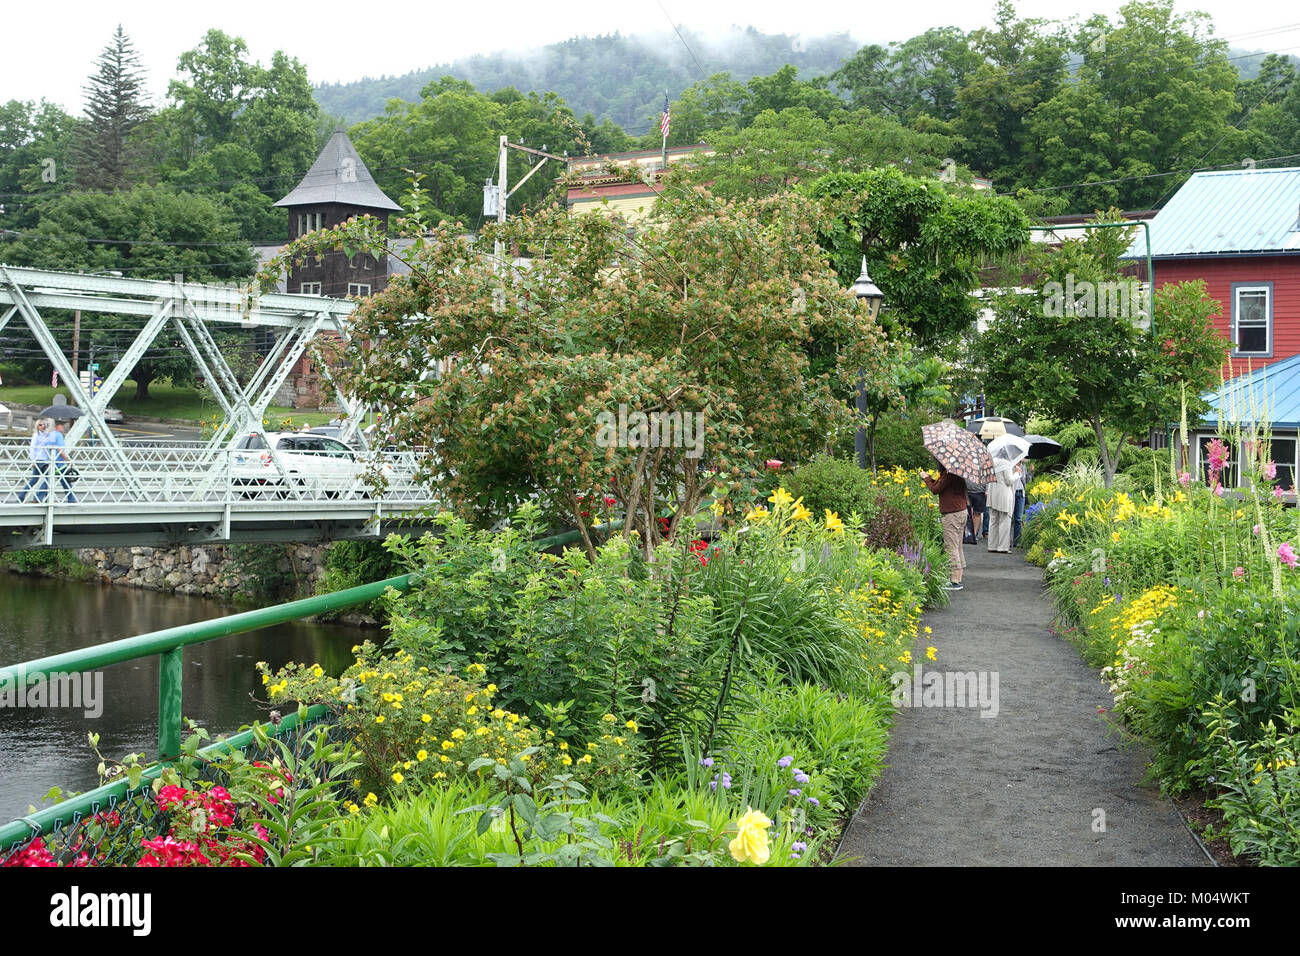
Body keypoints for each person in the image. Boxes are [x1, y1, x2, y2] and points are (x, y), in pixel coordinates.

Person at [922, 461, 969, 591]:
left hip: (952, 514)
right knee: (957, 545)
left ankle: (955, 581)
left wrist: (926, 478)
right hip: (961, 511)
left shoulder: (949, 474)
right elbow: (939, 485)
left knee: (951, 546)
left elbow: (935, 490)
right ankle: (958, 577)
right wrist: (931, 479)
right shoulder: (957, 471)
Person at [18, 419, 54, 503]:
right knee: (48, 479)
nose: (42, 426)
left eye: (44, 424)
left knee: (35, 479)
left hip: (45, 459)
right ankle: (38, 498)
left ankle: (22, 495)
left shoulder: (47, 435)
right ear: (37, 426)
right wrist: (33, 460)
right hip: (40, 460)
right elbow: (32, 448)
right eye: (40, 425)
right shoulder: (36, 435)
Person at [986, 456, 1016, 553]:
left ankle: (992, 545)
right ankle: (1002, 547)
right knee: (1004, 521)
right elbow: (1009, 480)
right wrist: (1017, 474)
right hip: (1003, 495)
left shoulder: (992, 461)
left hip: (992, 494)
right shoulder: (1006, 463)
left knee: (993, 521)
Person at [47, 420, 77, 503]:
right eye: (62, 426)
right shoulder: (59, 435)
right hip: (59, 462)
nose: (63, 427)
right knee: (65, 481)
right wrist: (67, 459)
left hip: (51, 461)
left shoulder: (51, 434)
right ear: (58, 426)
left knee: (48, 481)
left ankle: (39, 497)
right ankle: (71, 499)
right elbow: (60, 449)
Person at [1011, 460, 1028, 547]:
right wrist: (1016, 472)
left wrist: (1030, 472)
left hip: (1021, 493)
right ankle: (1005, 541)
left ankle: (1017, 541)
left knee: (1018, 518)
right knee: (1009, 517)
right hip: (1011, 493)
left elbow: (1026, 480)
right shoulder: (1011, 465)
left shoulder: (1023, 466)